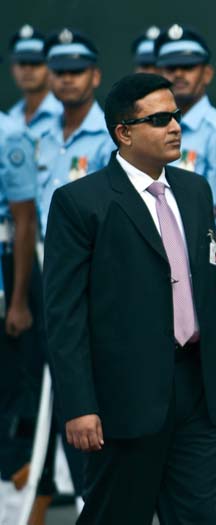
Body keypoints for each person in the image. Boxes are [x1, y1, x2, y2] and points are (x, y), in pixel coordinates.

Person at [43, 73, 216, 525]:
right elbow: (64, 315)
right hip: (123, 402)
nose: (175, 126)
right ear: (124, 132)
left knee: (207, 518)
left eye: (176, 115)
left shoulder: (195, 192)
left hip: (197, 390)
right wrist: (78, 405)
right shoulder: (80, 202)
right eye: (158, 119)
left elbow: (212, 296)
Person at [155, 24, 216, 296]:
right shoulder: (150, 128)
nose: (178, 74)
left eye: (188, 66)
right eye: (170, 67)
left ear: (207, 73)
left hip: (199, 262)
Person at [0, 112, 42, 524]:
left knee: (9, 392)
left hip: (4, 265)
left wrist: (18, 300)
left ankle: (12, 506)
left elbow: (25, 218)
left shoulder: (9, 135)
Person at [37, 28, 113, 240]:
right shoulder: (40, 135)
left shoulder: (111, 135)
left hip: (88, 250)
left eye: (77, 71)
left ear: (95, 76)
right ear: (49, 77)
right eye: (59, 72)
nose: (67, 79)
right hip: (41, 251)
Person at [7, 24, 62, 138]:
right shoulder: (11, 116)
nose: (27, 70)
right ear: (12, 69)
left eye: (35, 62)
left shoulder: (64, 114)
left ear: (50, 68)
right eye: (22, 63)